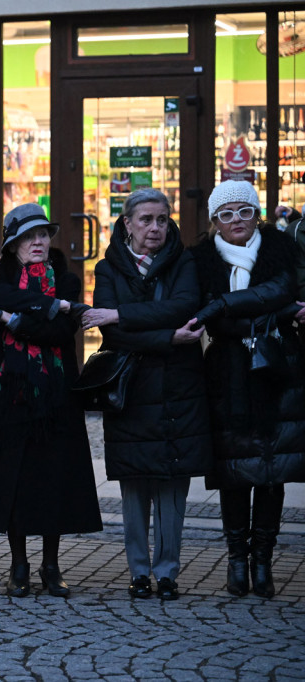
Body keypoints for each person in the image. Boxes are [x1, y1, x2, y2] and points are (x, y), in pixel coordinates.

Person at [81, 189, 211, 601]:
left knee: (173, 481)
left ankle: (168, 572)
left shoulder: (184, 260)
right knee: (135, 483)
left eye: (161, 219)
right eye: (146, 220)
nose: (155, 227)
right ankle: (139, 572)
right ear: (127, 224)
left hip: (179, 388)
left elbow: (184, 306)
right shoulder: (108, 267)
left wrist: (124, 314)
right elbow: (112, 334)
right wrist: (169, 337)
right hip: (131, 390)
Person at [0, 203, 101, 598]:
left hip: (57, 392)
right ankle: (19, 564)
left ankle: (51, 565)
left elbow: (60, 334)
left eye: (42, 234)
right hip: (9, 391)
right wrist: (48, 307)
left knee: (54, 475)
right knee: (16, 476)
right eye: (28, 237)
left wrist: (12, 319)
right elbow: (7, 297)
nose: (38, 242)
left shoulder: (69, 280)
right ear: (12, 246)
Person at [190, 180, 305, 599]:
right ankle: (237, 560)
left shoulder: (279, 249)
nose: (235, 220)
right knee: (235, 470)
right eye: (226, 214)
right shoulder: (200, 260)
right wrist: (265, 314)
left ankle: (263, 562)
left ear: (257, 214)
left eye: (243, 211)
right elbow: (219, 320)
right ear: (214, 222)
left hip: (277, 367)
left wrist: (223, 305)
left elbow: (280, 291)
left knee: (272, 471)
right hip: (227, 372)